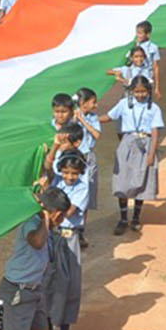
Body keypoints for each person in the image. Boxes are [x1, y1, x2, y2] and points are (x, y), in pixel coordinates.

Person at [0, 187, 67, 330]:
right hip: (18, 291)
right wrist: (46, 218)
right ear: (54, 213)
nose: (62, 221)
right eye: (61, 216)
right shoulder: (32, 224)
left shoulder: (46, 227)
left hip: (34, 291)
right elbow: (36, 242)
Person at [46, 153, 88, 330]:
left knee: (68, 289)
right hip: (51, 238)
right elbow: (47, 166)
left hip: (68, 239)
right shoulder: (56, 181)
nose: (70, 177)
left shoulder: (82, 188)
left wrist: (48, 204)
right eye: (66, 172)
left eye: (74, 173)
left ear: (80, 173)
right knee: (46, 286)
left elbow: (64, 213)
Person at [109, 76, 164, 233]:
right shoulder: (124, 104)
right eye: (137, 91)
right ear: (131, 91)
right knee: (123, 181)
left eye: (143, 91)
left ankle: (136, 218)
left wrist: (151, 155)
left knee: (141, 181)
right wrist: (89, 119)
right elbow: (110, 116)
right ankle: (123, 218)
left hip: (145, 146)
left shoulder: (153, 108)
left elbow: (154, 133)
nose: (140, 95)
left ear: (148, 91)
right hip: (127, 144)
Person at [72, 89, 103, 247]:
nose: (96, 105)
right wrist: (75, 119)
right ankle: (71, 229)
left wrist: (83, 121)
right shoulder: (71, 117)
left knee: (86, 194)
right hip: (73, 158)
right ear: (83, 103)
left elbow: (96, 135)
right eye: (93, 102)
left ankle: (81, 231)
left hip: (88, 158)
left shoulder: (93, 118)